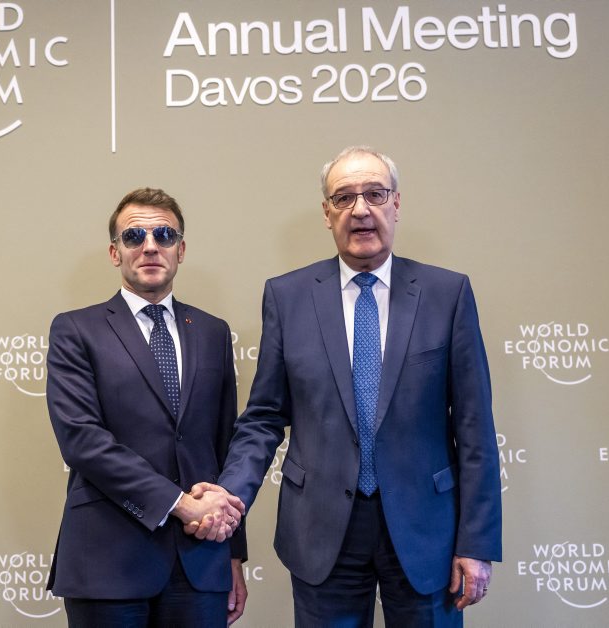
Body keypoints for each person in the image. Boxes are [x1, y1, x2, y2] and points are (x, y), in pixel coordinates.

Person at [193, 146, 502, 626]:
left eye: (375, 194)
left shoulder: (448, 293)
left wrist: (476, 542)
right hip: (320, 530)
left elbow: (475, 428)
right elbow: (264, 418)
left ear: (396, 204)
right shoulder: (287, 296)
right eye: (344, 197)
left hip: (425, 530)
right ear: (327, 213)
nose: (360, 210)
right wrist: (229, 497)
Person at [45, 187, 247, 627]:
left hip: (200, 560)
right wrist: (179, 503)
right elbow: (82, 441)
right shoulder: (76, 330)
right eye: (134, 236)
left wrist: (233, 552)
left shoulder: (213, 331)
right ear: (114, 252)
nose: (150, 246)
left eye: (164, 235)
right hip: (107, 561)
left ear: (181, 250)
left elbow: (225, 444)